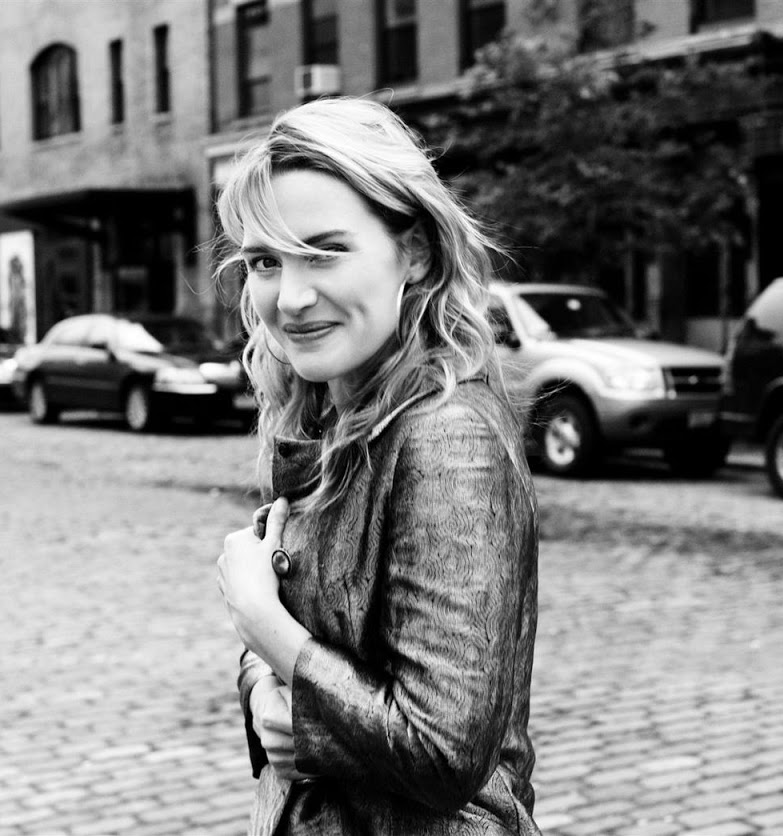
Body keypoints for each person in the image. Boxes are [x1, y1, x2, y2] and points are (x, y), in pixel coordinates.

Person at [215, 96, 541, 835]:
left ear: (415, 252)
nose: (291, 298)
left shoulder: (447, 436)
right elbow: (304, 642)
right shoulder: (322, 413)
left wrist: (266, 628)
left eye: (325, 252)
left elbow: (444, 750)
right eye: (266, 261)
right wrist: (263, 689)